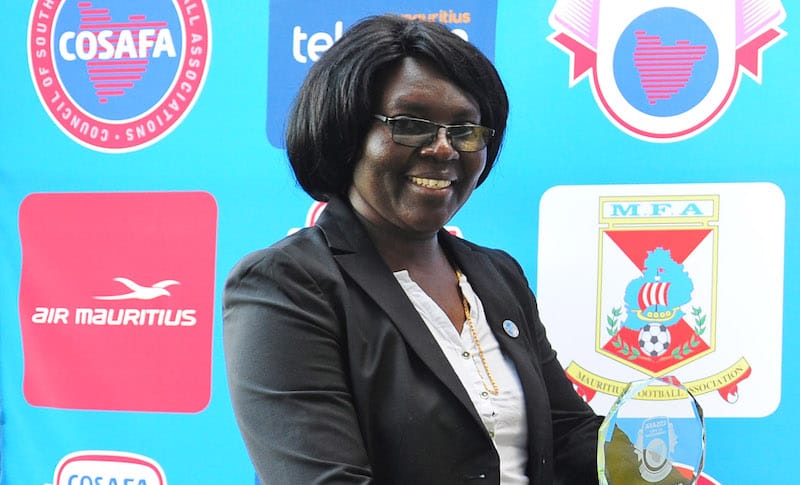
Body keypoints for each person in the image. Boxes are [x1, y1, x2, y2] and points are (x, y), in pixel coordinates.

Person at [223, 14, 602, 484]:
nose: (444, 149)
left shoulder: (498, 274)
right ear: (347, 133)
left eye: (465, 129)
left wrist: (654, 464)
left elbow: (568, 435)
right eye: (410, 124)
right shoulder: (286, 284)